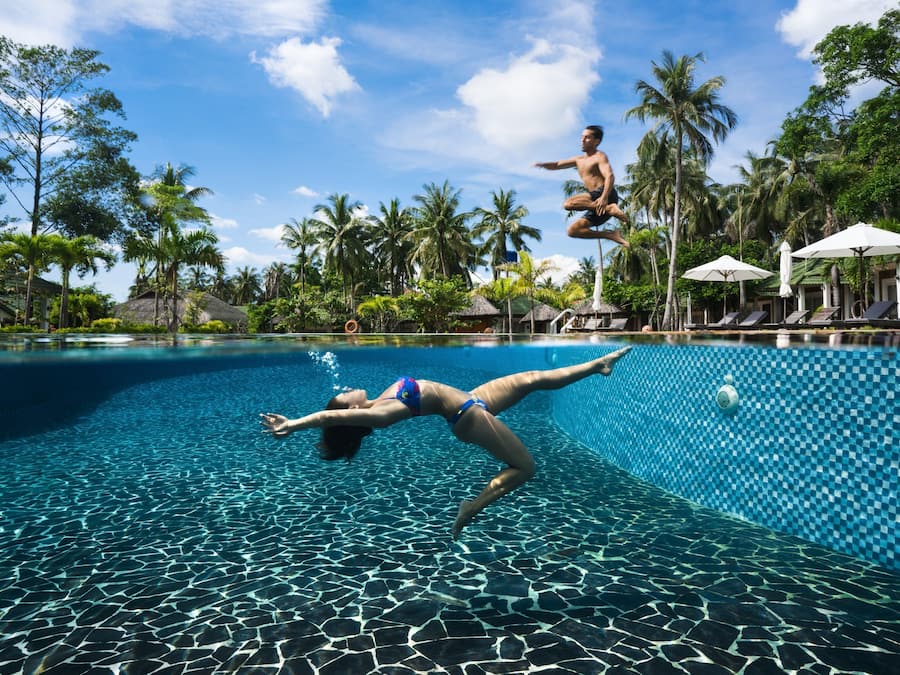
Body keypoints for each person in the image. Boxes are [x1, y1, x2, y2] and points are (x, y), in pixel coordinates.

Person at [260, 347, 631, 539]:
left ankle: (597, 365)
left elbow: (335, 413)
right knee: (525, 468)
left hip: (472, 399)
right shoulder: (380, 414)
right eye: (344, 397)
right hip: (467, 416)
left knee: (532, 377)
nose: (346, 390)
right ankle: (471, 508)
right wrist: (292, 424)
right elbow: (327, 418)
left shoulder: (376, 402)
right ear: (351, 412)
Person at [535, 125, 629, 247]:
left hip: (605, 194)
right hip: (597, 205)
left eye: (587, 137)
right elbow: (557, 164)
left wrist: (604, 197)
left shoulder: (599, 156)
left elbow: (610, 176)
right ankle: (610, 234)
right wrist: (542, 165)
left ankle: (609, 208)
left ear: (596, 141)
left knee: (568, 204)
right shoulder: (578, 160)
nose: (582, 140)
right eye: (582, 137)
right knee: (573, 231)